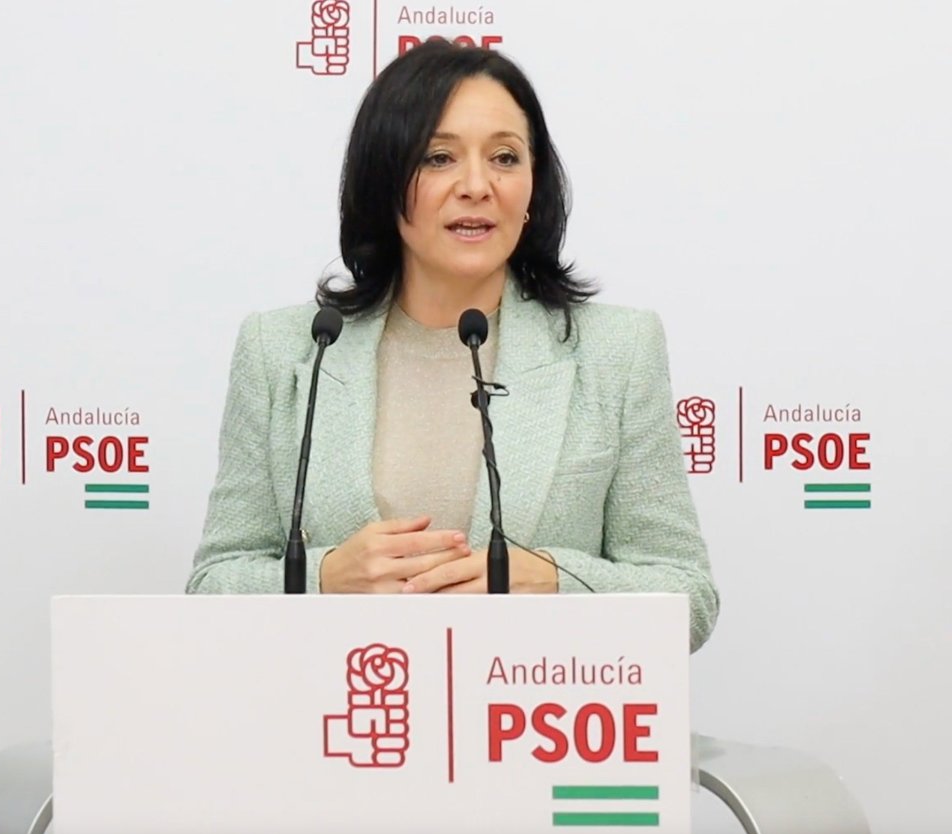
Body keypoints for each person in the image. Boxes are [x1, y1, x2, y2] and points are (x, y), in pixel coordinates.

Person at [187, 40, 718, 652]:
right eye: (439, 158)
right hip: (338, 705)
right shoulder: (283, 351)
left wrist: (554, 580)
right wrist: (324, 578)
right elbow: (212, 586)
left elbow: (689, 600)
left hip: (532, 704)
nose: (477, 185)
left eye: (505, 157)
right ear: (385, 180)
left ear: (534, 186)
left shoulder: (617, 352)